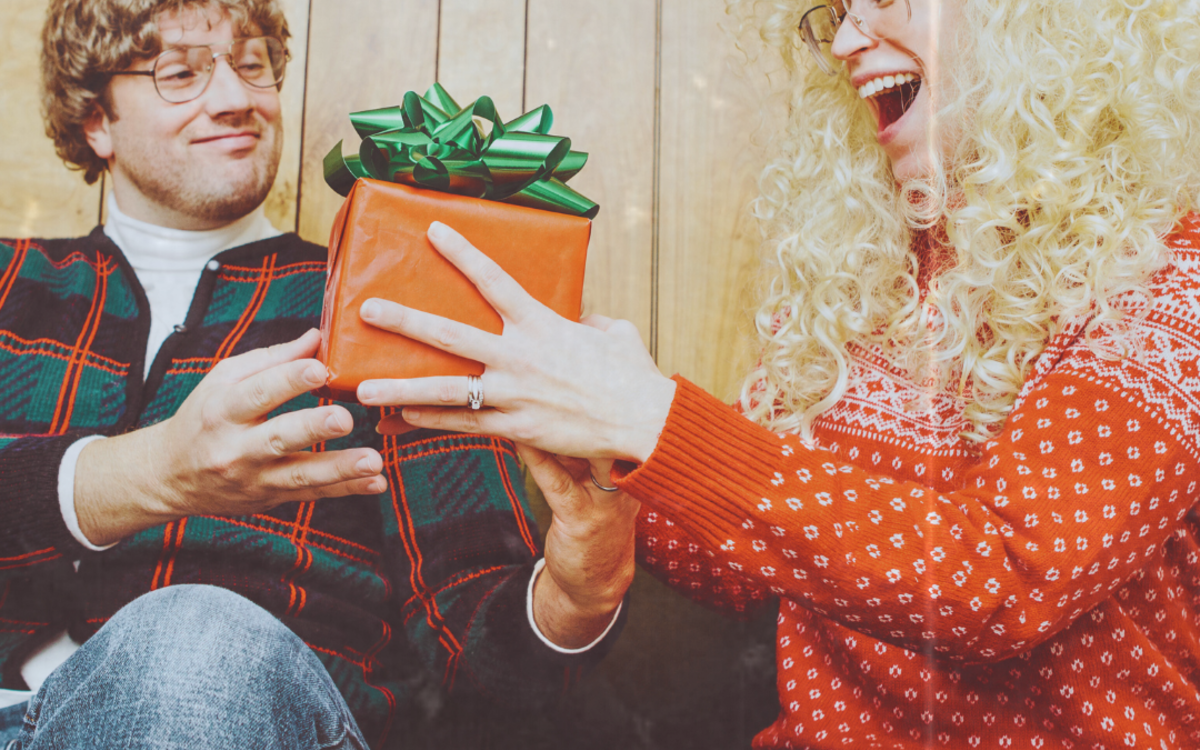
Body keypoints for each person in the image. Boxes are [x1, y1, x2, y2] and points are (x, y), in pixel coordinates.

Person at [351, 0, 1200, 747]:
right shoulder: (860, 279)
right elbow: (739, 557)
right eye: (838, 11)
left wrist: (647, 419)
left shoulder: (1168, 274)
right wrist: (580, 432)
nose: (847, 40)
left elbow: (1002, 578)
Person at [0, 0, 636, 747]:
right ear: (95, 121)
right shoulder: (12, 283)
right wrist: (154, 474)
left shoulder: (389, 302)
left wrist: (579, 593)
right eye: (180, 73)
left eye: (252, 64)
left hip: (245, 708)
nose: (236, 98)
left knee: (195, 636)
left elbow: (480, 650)